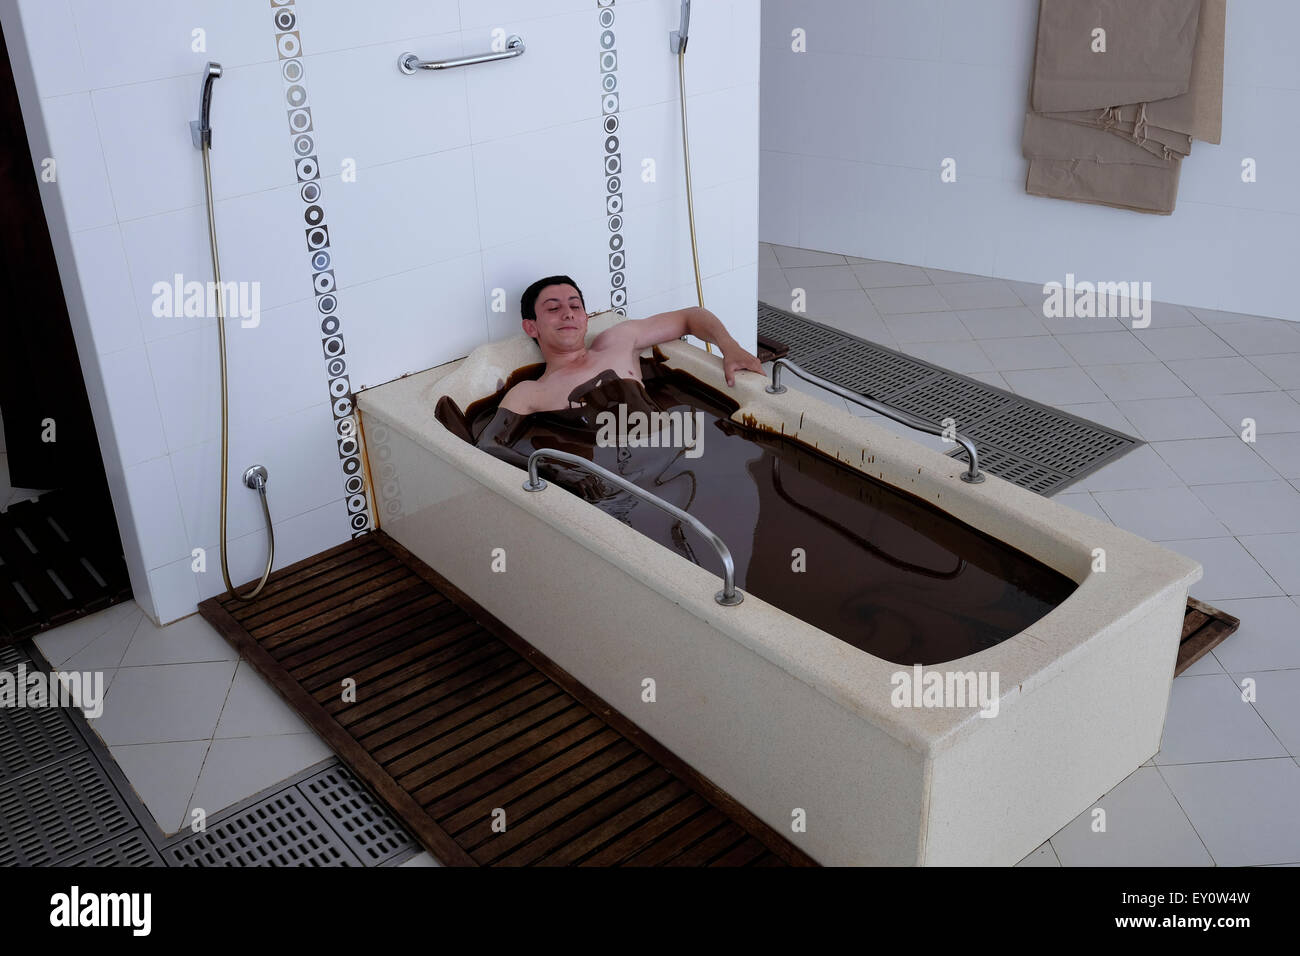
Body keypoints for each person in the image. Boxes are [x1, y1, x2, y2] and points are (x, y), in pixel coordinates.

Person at [499, 274, 764, 414]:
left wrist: (729, 346)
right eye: (553, 308)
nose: (568, 313)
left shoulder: (617, 342)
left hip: (669, 449)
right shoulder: (530, 393)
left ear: (585, 318)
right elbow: (491, 450)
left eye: (575, 306)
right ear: (531, 326)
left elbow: (690, 316)